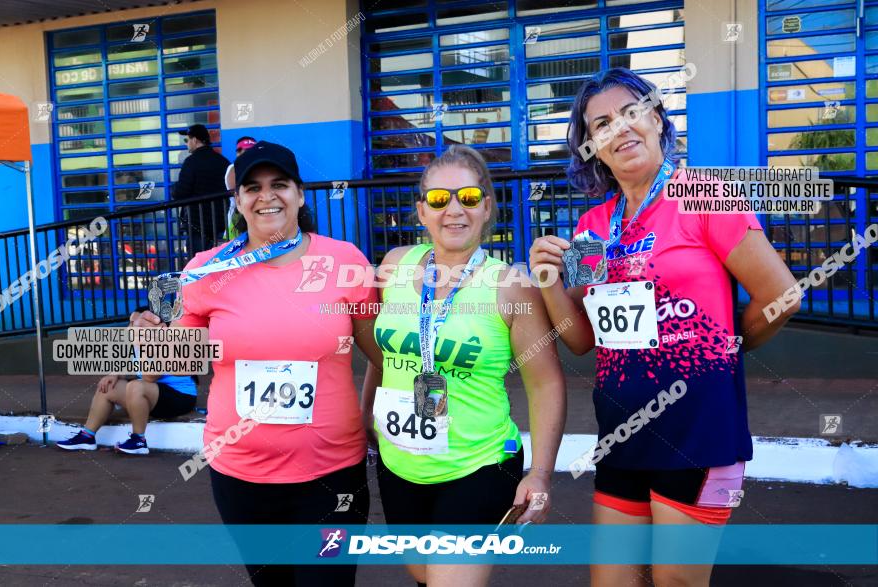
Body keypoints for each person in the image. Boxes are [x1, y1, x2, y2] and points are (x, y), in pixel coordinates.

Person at [528, 67, 801, 587]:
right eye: (601, 124)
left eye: (631, 113)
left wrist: (728, 347)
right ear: (592, 147)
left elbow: (781, 295)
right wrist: (546, 281)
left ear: (656, 119)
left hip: (698, 431)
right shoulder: (592, 227)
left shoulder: (705, 195)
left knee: (676, 581)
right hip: (622, 435)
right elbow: (583, 339)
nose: (620, 128)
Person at [135, 141, 383, 587]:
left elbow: (381, 355)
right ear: (238, 201)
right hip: (241, 475)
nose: (266, 196)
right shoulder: (206, 270)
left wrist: (370, 418)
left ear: (300, 195)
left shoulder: (344, 261)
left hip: (331, 474)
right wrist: (147, 339)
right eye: (253, 187)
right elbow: (168, 363)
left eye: (279, 185)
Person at [363, 145, 566, 587]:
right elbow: (383, 359)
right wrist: (364, 421)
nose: (454, 209)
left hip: (479, 465)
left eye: (468, 197)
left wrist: (541, 474)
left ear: (486, 205)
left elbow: (545, 384)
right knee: (424, 576)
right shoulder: (395, 266)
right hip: (400, 463)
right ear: (421, 210)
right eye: (439, 199)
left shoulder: (513, 286)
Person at [56, 307, 198, 455]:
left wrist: (142, 345)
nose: (131, 326)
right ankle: (87, 437)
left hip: (180, 396)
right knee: (108, 387)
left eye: (136, 323)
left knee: (136, 386)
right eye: (130, 322)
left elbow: (150, 377)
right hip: (154, 394)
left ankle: (138, 441)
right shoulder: (136, 344)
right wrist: (113, 374)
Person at [172, 124, 230, 255]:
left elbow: (180, 193)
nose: (186, 144)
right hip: (221, 225)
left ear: (195, 140)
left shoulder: (191, 162)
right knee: (219, 263)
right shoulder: (223, 161)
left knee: (198, 267)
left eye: (187, 140)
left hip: (197, 226)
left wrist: (174, 187)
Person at [223, 136, 257, 241]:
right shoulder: (233, 168)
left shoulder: (262, 168)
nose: (242, 153)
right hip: (237, 220)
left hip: (259, 219)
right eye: (239, 150)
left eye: (247, 150)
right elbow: (237, 192)